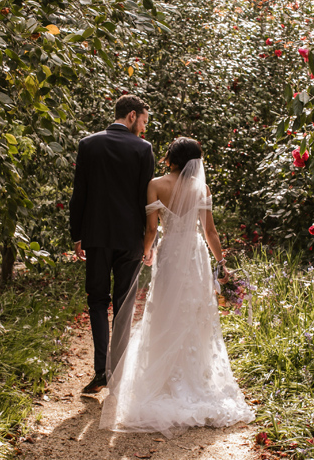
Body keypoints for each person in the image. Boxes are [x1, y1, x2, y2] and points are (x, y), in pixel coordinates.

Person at [100, 137, 254, 437]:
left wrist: (147, 251)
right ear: (195, 162)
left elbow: (152, 229)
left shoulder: (156, 185)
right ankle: (197, 379)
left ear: (171, 158)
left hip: (170, 253)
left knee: (165, 310)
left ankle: (165, 380)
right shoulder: (202, 189)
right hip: (194, 254)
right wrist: (221, 264)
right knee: (196, 312)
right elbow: (210, 231)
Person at [69, 95, 155, 394]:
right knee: (123, 304)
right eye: (143, 121)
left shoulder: (88, 144)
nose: (144, 129)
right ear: (132, 115)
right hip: (130, 237)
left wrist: (77, 235)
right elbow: (147, 199)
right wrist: (149, 241)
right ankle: (119, 372)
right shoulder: (143, 149)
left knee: (96, 300)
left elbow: (79, 193)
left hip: (96, 235)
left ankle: (100, 371)